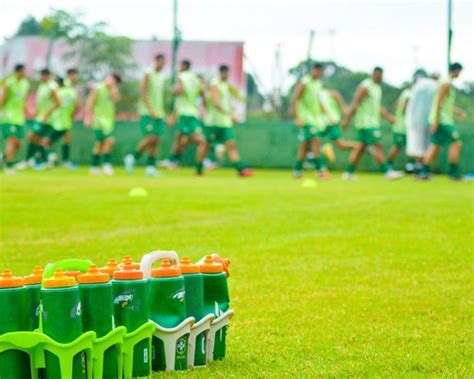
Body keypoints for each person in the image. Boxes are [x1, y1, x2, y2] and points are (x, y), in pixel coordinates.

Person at [340, 67, 403, 180]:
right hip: (366, 123)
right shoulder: (365, 86)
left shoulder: (377, 88)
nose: (381, 78)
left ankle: (348, 173)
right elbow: (355, 103)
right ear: (375, 74)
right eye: (380, 76)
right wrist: (346, 120)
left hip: (372, 123)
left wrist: (389, 117)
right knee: (377, 145)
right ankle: (387, 171)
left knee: (360, 148)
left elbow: (377, 107)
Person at [195, 64, 254, 176]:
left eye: (228, 73)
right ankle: (198, 168)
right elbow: (215, 103)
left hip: (225, 122)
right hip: (213, 121)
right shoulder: (214, 84)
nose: (227, 75)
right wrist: (230, 114)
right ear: (221, 72)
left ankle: (240, 169)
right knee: (205, 145)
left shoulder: (226, 85)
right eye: (225, 73)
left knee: (231, 144)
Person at [417, 62, 466, 180]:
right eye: (460, 72)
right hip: (443, 120)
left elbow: (444, 104)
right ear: (456, 70)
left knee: (435, 145)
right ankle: (453, 173)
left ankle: (423, 171)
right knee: (456, 143)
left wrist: (456, 111)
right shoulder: (446, 83)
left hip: (440, 118)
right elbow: (439, 102)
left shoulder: (444, 82)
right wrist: (436, 121)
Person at [124, 54, 167, 176]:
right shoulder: (148, 73)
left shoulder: (161, 77)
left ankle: (150, 168)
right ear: (156, 61)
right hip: (148, 113)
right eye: (161, 62)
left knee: (156, 141)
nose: (162, 65)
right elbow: (143, 93)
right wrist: (151, 109)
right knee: (151, 138)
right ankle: (132, 157)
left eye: (164, 63)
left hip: (159, 113)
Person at [165, 60, 206, 169]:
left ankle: (199, 165)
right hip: (193, 112)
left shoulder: (182, 76)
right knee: (180, 138)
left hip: (185, 114)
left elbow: (180, 90)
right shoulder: (196, 79)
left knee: (198, 140)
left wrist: (172, 90)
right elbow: (202, 93)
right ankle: (173, 160)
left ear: (183, 66)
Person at [291, 62, 329, 179]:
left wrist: (327, 115)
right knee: (316, 141)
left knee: (304, 145)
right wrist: (297, 118)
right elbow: (295, 99)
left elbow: (319, 102)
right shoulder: (305, 82)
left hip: (315, 120)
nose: (320, 75)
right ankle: (320, 171)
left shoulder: (318, 84)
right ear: (314, 70)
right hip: (306, 119)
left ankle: (297, 171)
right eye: (319, 72)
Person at [20, 68, 60, 169]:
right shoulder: (42, 86)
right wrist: (35, 112)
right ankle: (43, 159)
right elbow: (41, 102)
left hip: (47, 119)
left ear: (47, 76)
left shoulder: (52, 86)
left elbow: (57, 103)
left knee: (33, 136)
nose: (41, 77)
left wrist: (46, 114)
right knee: (37, 139)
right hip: (39, 117)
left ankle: (35, 160)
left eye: (43, 75)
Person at [84, 73, 122, 175]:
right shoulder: (98, 88)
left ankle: (94, 167)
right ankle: (106, 164)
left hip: (109, 120)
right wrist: (88, 117)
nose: (111, 81)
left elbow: (117, 100)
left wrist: (114, 89)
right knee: (109, 140)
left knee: (100, 143)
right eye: (111, 78)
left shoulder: (114, 90)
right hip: (99, 120)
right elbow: (90, 102)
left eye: (115, 81)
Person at [40, 77, 79, 166]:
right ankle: (65, 160)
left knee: (45, 141)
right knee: (66, 139)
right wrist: (70, 117)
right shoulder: (72, 92)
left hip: (57, 123)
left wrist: (45, 116)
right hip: (67, 122)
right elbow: (77, 107)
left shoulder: (57, 93)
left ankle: (46, 161)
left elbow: (55, 104)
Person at [404, 70, 437, 173]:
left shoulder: (421, 86)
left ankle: (420, 167)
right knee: (427, 146)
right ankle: (422, 168)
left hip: (419, 121)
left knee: (421, 146)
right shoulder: (428, 86)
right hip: (424, 121)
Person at [0, 64, 30, 174]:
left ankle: (4, 157)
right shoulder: (9, 83)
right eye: (24, 71)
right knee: (12, 141)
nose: (26, 73)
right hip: (8, 117)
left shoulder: (25, 84)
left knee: (18, 144)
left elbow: (24, 100)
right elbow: (2, 99)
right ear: (18, 71)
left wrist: (28, 110)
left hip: (19, 118)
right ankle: (8, 166)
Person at [386, 84, 413, 170]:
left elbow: (397, 104)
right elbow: (406, 109)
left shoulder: (405, 92)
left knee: (409, 146)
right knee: (397, 147)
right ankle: (388, 166)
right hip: (403, 126)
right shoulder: (410, 94)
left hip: (401, 125)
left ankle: (410, 166)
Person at [59, 68, 80, 168]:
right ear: (70, 75)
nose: (76, 77)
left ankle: (64, 160)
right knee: (48, 139)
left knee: (67, 137)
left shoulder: (71, 87)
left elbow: (75, 105)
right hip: (59, 118)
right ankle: (42, 159)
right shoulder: (64, 85)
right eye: (75, 75)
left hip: (65, 118)